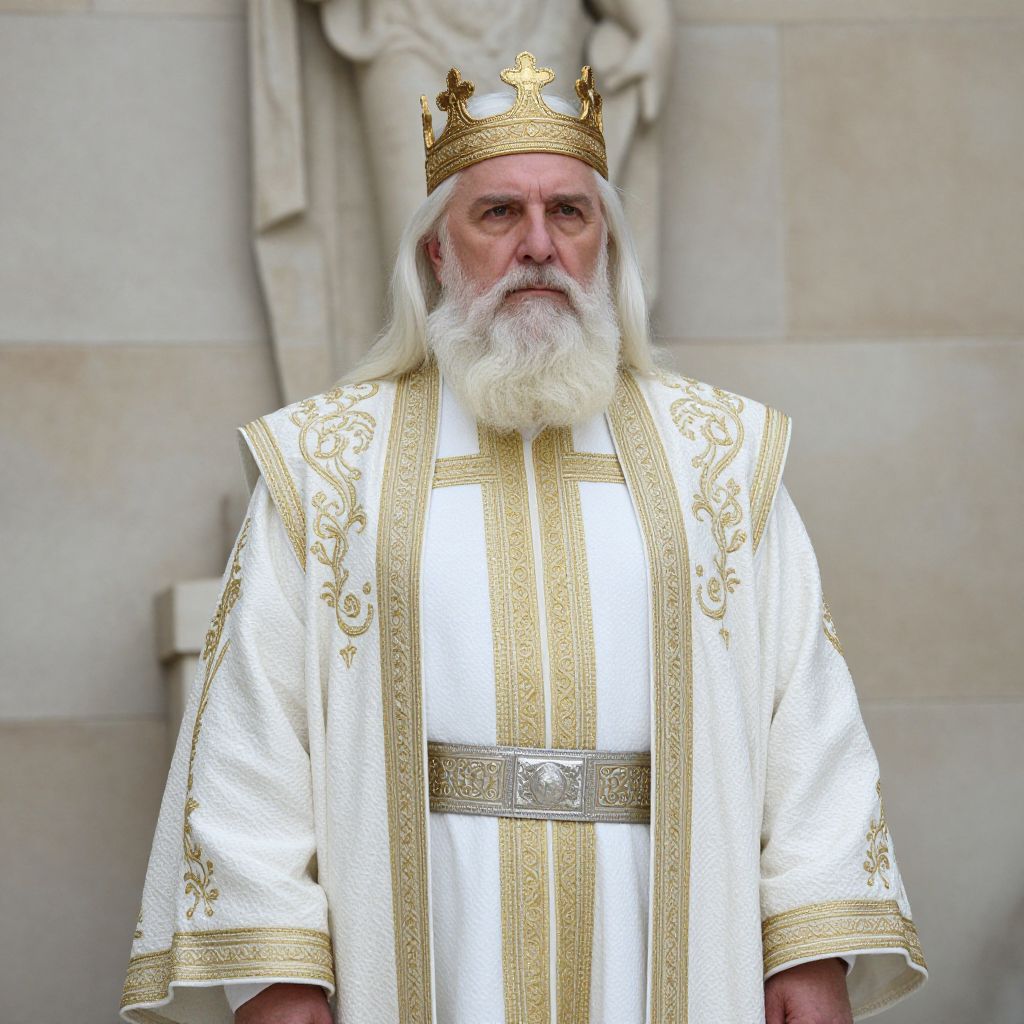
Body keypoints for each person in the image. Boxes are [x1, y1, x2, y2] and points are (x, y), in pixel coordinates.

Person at [121, 52, 927, 1024]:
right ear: (436, 251)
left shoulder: (722, 458)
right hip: (418, 946)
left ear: (604, 246)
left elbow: (808, 718)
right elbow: (253, 733)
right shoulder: (324, 465)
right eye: (498, 213)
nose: (537, 245)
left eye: (568, 213)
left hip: (666, 936)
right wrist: (280, 974)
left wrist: (811, 944)